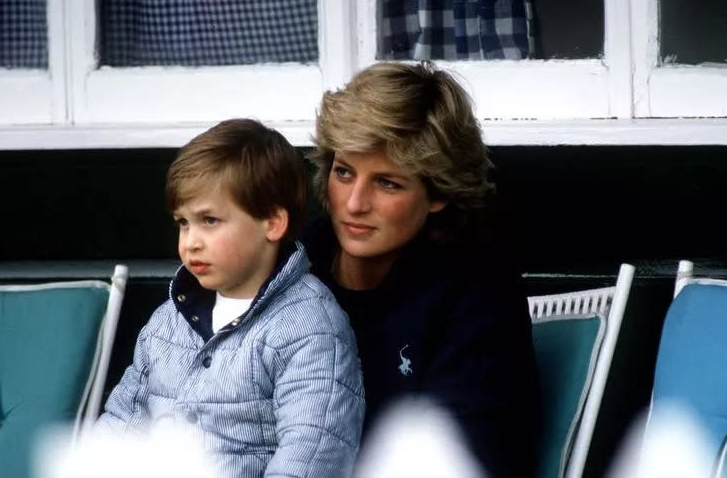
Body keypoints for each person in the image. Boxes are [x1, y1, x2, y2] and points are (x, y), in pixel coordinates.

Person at [302, 62, 541, 477]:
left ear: (438, 194)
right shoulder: (295, 265)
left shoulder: (477, 291)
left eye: (387, 183)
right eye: (344, 173)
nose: (355, 203)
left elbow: (469, 457)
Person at [96, 118, 365, 477]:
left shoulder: (309, 328)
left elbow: (313, 452)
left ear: (272, 223)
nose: (190, 241)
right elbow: (122, 424)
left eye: (209, 221)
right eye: (183, 222)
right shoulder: (168, 321)